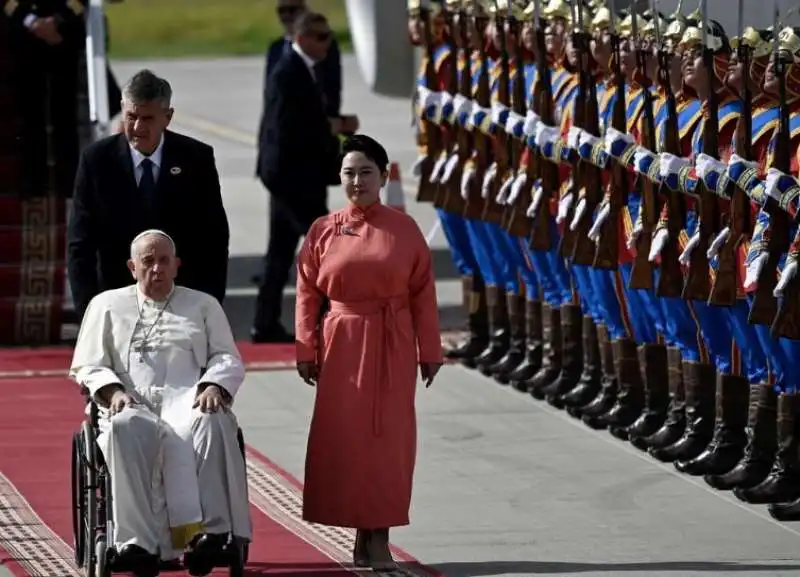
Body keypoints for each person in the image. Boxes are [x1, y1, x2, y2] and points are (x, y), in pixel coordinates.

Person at [294, 135, 443, 570]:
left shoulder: (404, 227)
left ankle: (379, 538)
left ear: (383, 176)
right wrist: (306, 346)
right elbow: (306, 291)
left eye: (366, 172)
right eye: (349, 173)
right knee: (346, 442)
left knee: (387, 442)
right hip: (341, 344)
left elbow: (423, 293)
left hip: (392, 343)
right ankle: (359, 533)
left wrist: (428, 350)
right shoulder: (323, 228)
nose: (357, 181)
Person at [69, 229, 251, 577]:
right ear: (131, 267)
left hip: (188, 400)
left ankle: (210, 535)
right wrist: (114, 392)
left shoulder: (202, 305)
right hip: (130, 402)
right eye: (147, 261)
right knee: (124, 426)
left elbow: (227, 357)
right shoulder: (105, 305)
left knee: (212, 421)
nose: (156, 268)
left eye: (163, 260)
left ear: (177, 265)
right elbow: (89, 365)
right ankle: (136, 543)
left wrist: (213, 385)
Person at [68, 69, 230, 321]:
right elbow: (81, 243)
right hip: (116, 301)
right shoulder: (96, 161)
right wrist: (88, 312)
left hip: (182, 301)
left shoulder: (196, 159)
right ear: (122, 108)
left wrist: (209, 303)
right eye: (131, 116)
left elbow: (214, 238)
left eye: (147, 118)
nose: (137, 127)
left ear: (168, 117)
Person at [252, 11, 356, 343]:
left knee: (280, 253)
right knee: (325, 247)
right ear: (302, 39)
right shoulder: (289, 73)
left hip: (292, 176)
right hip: (293, 178)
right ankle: (330, 320)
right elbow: (287, 129)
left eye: (330, 37)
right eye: (321, 37)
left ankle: (265, 323)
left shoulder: (305, 70)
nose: (328, 44)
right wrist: (335, 126)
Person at [264, 0, 342, 118]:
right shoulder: (276, 48)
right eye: (281, 11)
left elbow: (331, 86)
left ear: (305, 11)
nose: (286, 16)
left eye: (292, 10)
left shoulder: (321, 44)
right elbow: (269, 94)